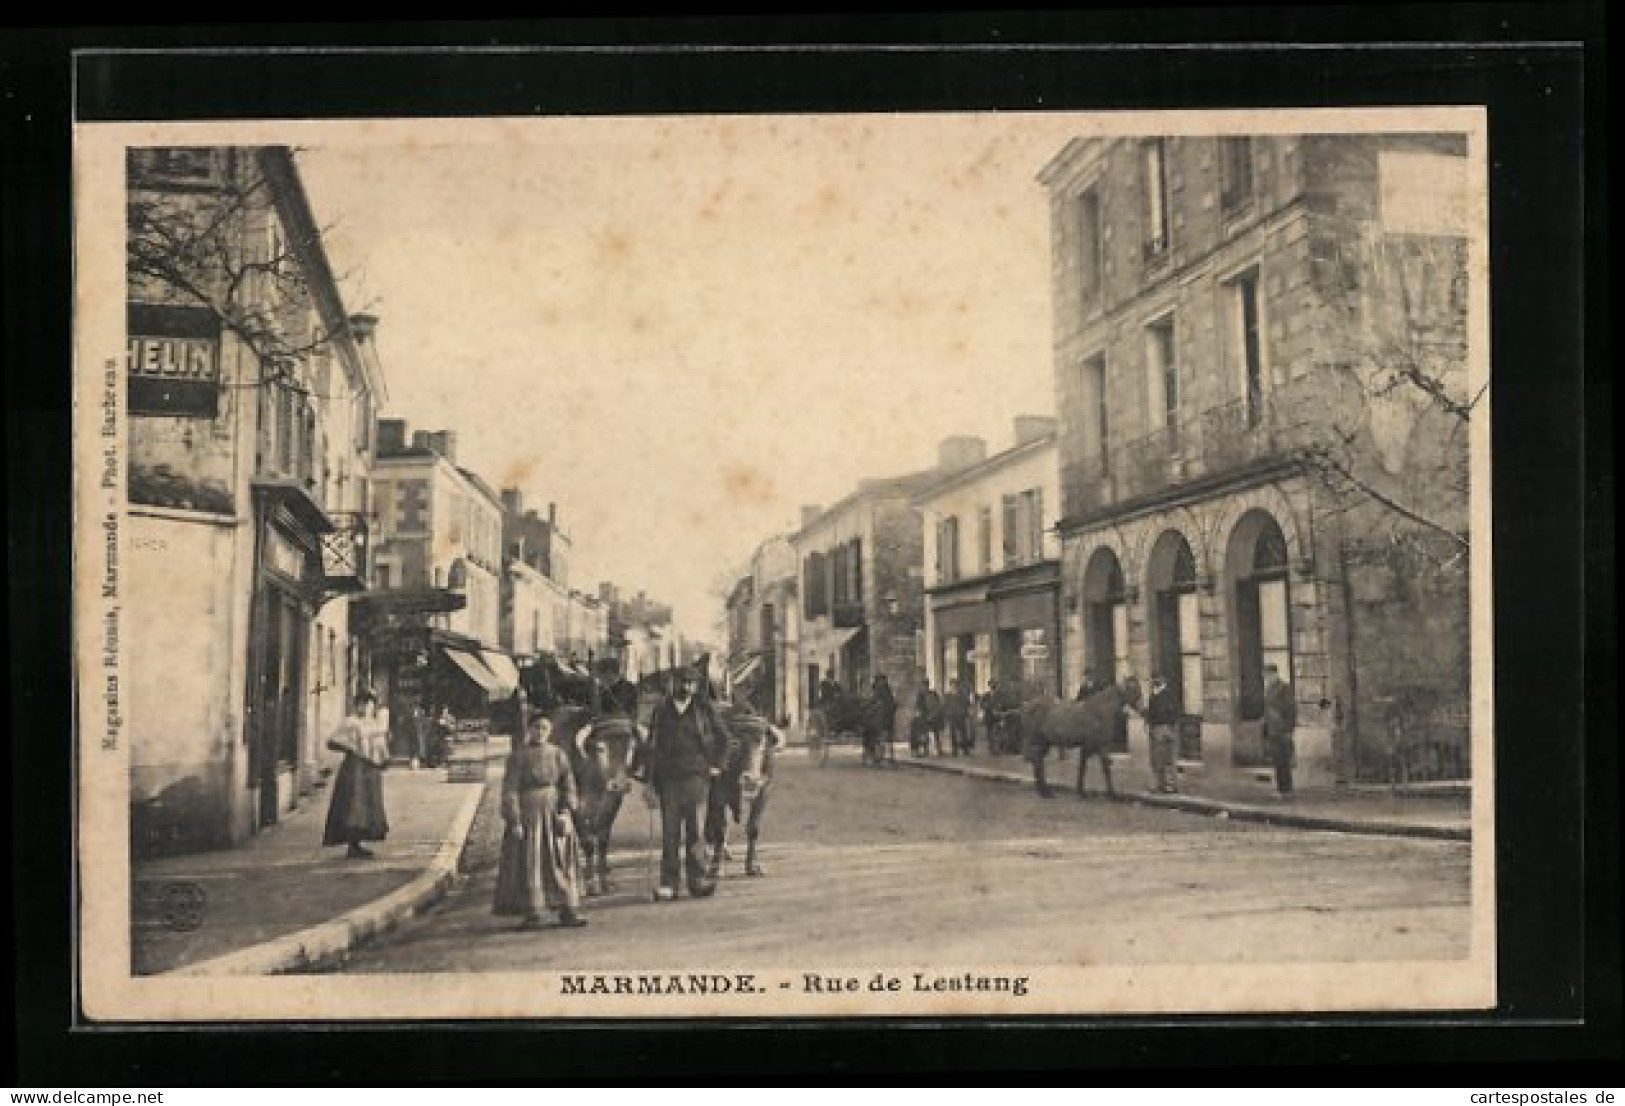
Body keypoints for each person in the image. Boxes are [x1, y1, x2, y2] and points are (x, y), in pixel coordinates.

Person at [639, 666, 728, 901]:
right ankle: (669, 884)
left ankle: (697, 880)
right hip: (668, 780)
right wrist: (648, 783)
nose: (686, 688)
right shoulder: (661, 711)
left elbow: (724, 738)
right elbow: (652, 747)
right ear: (672, 683)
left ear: (696, 687)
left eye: (691, 684)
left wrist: (717, 764)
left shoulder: (704, 709)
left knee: (695, 832)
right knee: (670, 834)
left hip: (698, 779)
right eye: (682, 682)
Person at [493, 710, 587, 929]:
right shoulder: (518, 756)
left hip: (555, 813)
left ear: (550, 730)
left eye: (545, 728)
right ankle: (533, 911)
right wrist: (515, 819)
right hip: (530, 815)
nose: (541, 732)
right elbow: (510, 790)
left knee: (561, 859)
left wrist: (566, 810)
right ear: (529, 730)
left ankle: (568, 909)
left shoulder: (558, 754)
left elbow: (568, 783)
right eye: (536, 728)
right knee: (531, 861)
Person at [323, 691, 391, 859]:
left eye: (370, 705)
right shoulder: (351, 722)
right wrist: (350, 746)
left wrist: (383, 758)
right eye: (363, 704)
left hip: (371, 768)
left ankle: (358, 843)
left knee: (369, 805)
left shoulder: (375, 724)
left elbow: (380, 746)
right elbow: (332, 741)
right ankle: (352, 844)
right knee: (354, 804)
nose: (366, 708)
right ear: (357, 705)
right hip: (355, 768)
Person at [1263, 663, 1298, 799]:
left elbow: (1291, 710)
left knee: (1284, 760)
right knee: (1277, 761)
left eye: (1268, 675)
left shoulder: (1284, 688)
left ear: (1275, 674)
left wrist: (1289, 729)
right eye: (1266, 675)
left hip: (1282, 730)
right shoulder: (1269, 689)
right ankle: (1281, 789)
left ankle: (1287, 790)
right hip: (1273, 730)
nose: (1267, 678)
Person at [1145, 674, 1181, 794]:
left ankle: (1163, 785)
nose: (1154, 682)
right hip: (1166, 729)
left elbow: (1152, 715)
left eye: (1156, 680)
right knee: (1166, 759)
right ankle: (1167, 785)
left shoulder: (1158, 696)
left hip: (1161, 729)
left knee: (1160, 759)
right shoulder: (1166, 695)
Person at [865, 674, 897, 766]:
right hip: (888, 716)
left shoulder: (879, 689)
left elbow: (874, 700)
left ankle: (879, 757)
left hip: (882, 717)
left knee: (879, 736)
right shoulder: (888, 690)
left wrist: (867, 707)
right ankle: (888, 757)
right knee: (887, 737)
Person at [912, 680, 944, 756]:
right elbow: (917, 707)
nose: (923, 688)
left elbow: (937, 706)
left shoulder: (932, 694)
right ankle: (925, 749)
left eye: (924, 686)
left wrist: (932, 715)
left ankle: (936, 749)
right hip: (924, 717)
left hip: (931, 717)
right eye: (923, 686)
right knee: (923, 733)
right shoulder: (920, 696)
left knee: (934, 733)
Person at [942, 678, 971, 756]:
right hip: (952, 717)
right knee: (953, 734)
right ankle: (955, 750)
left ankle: (965, 750)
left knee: (963, 733)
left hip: (961, 717)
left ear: (957, 686)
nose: (953, 687)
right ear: (950, 686)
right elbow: (944, 706)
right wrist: (947, 715)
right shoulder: (947, 696)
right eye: (952, 685)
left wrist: (964, 713)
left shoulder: (962, 695)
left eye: (955, 685)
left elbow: (967, 704)